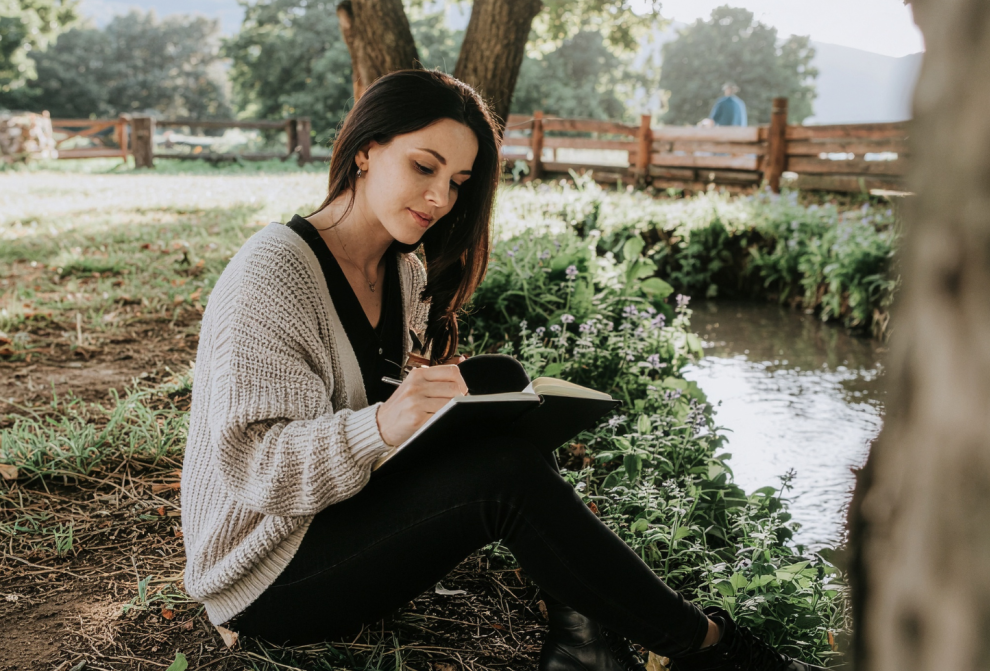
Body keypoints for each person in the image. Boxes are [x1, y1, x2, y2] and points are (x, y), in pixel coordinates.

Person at [179, 69, 823, 671]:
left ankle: (584, 641)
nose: (439, 197)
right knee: (504, 476)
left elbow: (369, 399)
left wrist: (433, 407)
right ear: (366, 150)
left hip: (331, 518)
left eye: (458, 181)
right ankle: (711, 649)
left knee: (500, 388)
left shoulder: (403, 267)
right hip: (262, 574)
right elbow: (256, 467)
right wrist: (383, 422)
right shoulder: (274, 272)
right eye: (424, 166)